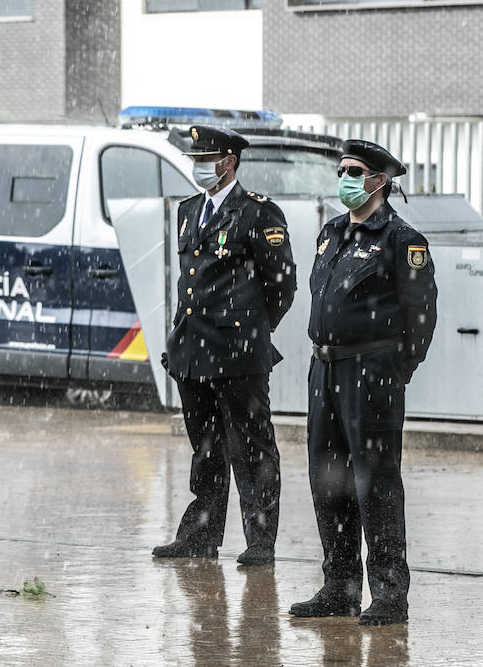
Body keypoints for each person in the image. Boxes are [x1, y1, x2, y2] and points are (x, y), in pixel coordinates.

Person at [290, 140, 436, 626]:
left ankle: (390, 595)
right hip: (325, 369)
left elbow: (420, 318)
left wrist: (395, 372)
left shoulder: (401, 239)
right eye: (341, 170)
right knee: (327, 479)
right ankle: (340, 587)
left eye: (354, 171)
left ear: (379, 180)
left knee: (376, 484)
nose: (344, 179)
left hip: (370, 374)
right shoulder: (332, 232)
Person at [154, 125, 297, 566]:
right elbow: (189, 282)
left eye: (207, 159)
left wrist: (250, 330)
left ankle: (259, 541)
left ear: (230, 161)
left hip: (238, 352)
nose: (199, 167)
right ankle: (200, 534)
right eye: (196, 158)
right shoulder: (187, 210)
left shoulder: (258, 213)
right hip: (192, 351)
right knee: (207, 448)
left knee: (252, 449)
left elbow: (282, 285)